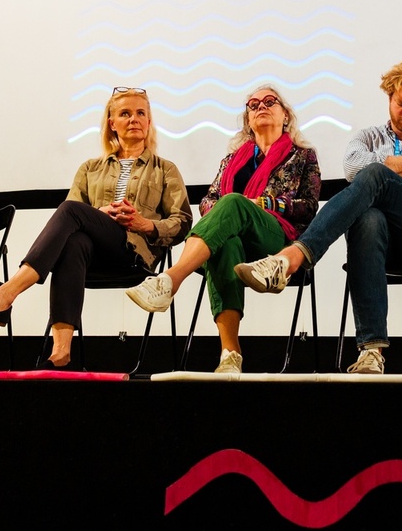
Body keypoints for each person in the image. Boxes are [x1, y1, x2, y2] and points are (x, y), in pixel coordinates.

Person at [233, 60, 402, 375]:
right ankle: (371, 353)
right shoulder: (366, 137)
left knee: (374, 176)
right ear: (389, 98)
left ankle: (292, 257)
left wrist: (382, 174)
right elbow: (353, 168)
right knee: (368, 218)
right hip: (380, 241)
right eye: (401, 104)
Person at [0, 87, 192, 368]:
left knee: (70, 209)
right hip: (92, 256)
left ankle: (4, 295)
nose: (134, 119)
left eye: (141, 113)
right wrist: (100, 214)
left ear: (149, 121)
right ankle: (60, 354)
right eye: (125, 114)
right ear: (112, 123)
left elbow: (182, 223)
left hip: (134, 255)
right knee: (73, 242)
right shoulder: (90, 168)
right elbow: (68, 224)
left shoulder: (165, 169)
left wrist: (144, 223)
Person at [125, 86, 321, 374]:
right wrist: (228, 212)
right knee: (225, 243)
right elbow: (208, 200)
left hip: (278, 239)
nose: (261, 107)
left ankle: (170, 279)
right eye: (253, 105)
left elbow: (309, 206)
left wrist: (263, 203)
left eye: (270, 102)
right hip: (236, 239)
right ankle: (230, 354)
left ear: (286, 115)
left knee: (233, 202)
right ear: (248, 120)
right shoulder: (233, 159)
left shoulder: (302, 156)